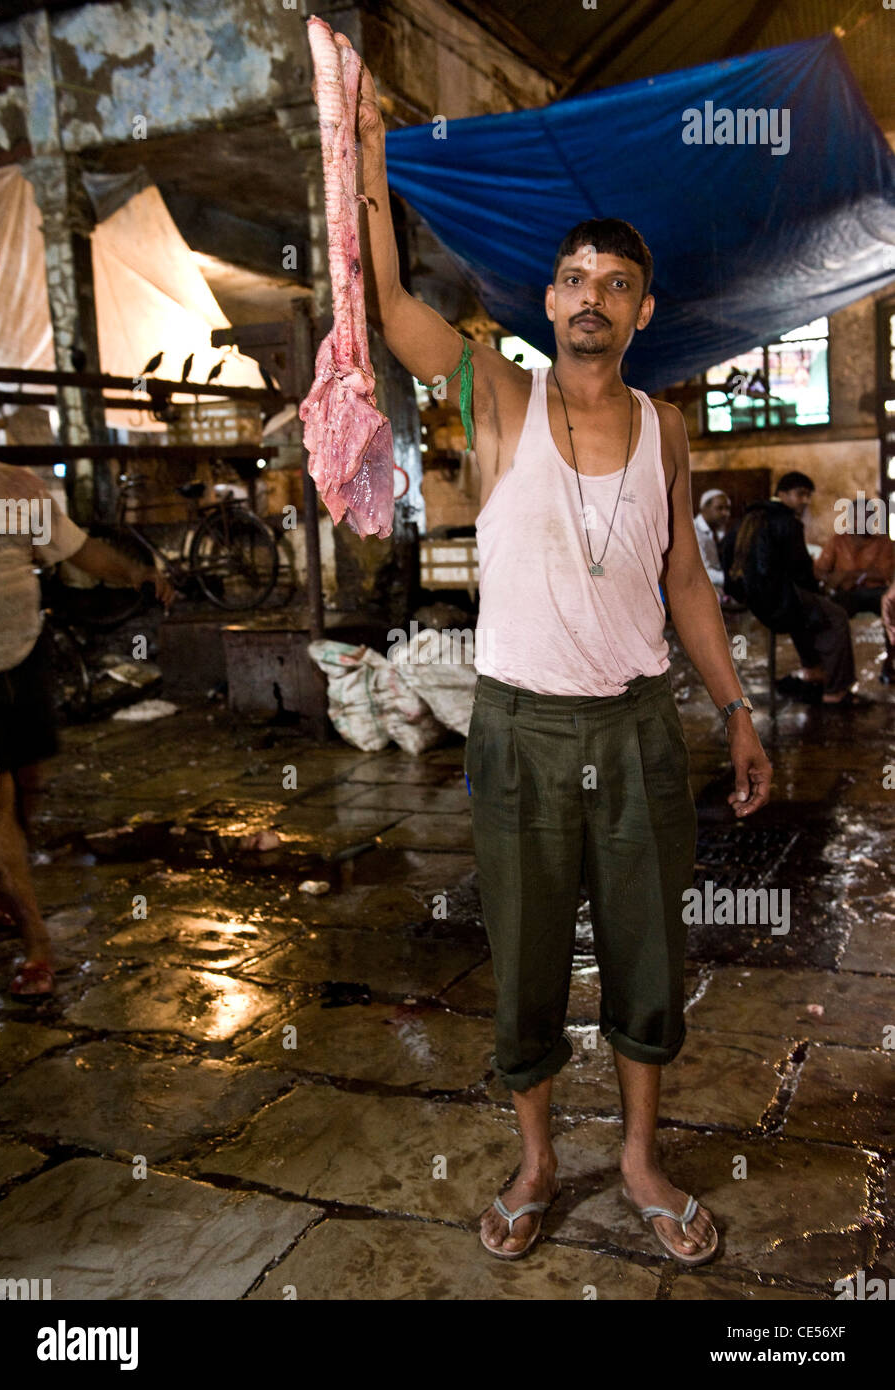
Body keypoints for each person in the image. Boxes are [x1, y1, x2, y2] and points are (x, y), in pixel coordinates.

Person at [353, 41, 772, 1267]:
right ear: (547, 302)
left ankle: (638, 1158)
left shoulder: (665, 427)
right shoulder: (494, 395)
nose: (589, 295)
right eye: (572, 277)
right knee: (527, 954)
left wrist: (736, 710)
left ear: (640, 310)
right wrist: (365, 173)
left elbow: (684, 577)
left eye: (614, 283)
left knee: (648, 948)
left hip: (639, 727)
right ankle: (537, 1158)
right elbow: (390, 312)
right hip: (521, 728)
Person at [0, 452, 173, 996]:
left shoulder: (13, 486)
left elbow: (81, 550)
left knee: (26, 783)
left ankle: (2, 886)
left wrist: (137, 573)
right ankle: (37, 943)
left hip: (22, 658)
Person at [724, 472, 856, 704]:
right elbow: (802, 571)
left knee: (808, 609)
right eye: (800, 494)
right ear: (782, 494)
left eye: (807, 495)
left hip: (752, 600)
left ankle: (813, 669)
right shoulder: (787, 522)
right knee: (835, 615)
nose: (805, 500)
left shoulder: (747, 518)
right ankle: (835, 691)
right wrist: (818, 591)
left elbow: (726, 554)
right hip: (776, 602)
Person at [814, 521, 895, 684]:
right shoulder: (838, 541)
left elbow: (885, 573)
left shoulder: (885, 543)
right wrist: (831, 579)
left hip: (876, 593)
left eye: (869, 517)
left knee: (893, 610)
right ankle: (838, 677)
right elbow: (819, 570)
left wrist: (846, 576)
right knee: (832, 615)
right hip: (847, 593)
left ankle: (890, 666)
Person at [693, 488, 730, 596]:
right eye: (720, 508)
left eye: (727, 509)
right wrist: (729, 579)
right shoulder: (694, 532)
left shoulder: (720, 531)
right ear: (704, 508)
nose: (725, 513)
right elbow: (701, 571)